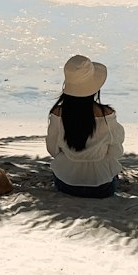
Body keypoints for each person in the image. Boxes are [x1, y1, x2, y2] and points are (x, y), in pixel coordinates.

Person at [46, 54, 125, 198]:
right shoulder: (107, 115)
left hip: (66, 183)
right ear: (95, 88)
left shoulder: (58, 113)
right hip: (102, 186)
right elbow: (116, 152)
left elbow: (53, 150)